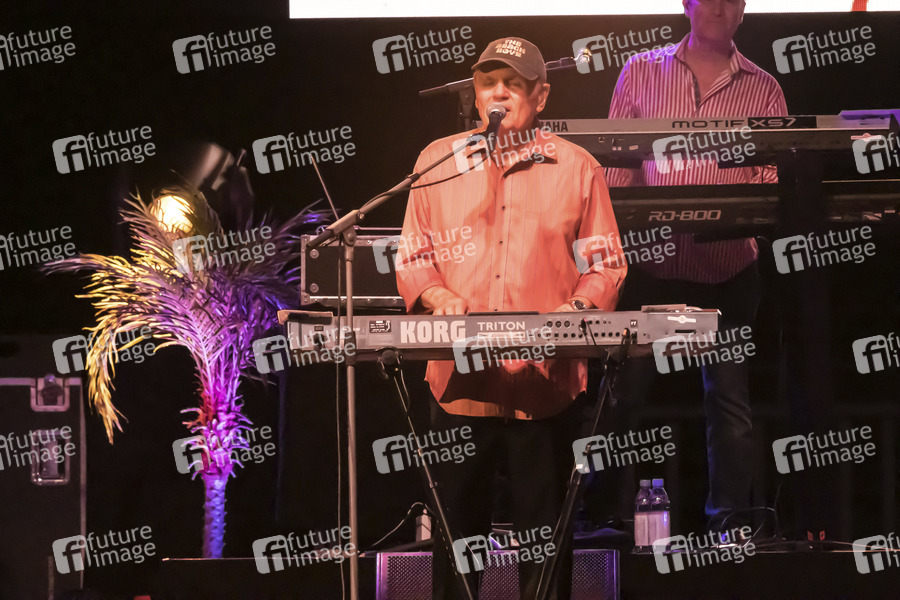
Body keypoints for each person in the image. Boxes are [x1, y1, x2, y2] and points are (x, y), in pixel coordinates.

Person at [395, 37, 627, 600]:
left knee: (545, 557)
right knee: (456, 552)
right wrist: (436, 296)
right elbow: (414, 255)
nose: (499, 93)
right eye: (488, 83)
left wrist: (576, 310)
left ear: (540, 96)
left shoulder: (578, 167)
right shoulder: (437, 162)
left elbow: (605, 264)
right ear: (475, 95)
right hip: (459, 387)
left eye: (514, 84)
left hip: (545, 388)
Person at [602, 0, 788, 535]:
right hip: (651, 269)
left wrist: (724, 213)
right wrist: (631, 229)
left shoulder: (764, 87)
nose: (719, 6)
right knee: (620, 400)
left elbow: (770, 180)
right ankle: (605, 518)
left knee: (729, 406)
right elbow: (616, 168)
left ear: (743, 10)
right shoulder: (641, 70)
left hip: (729, 272)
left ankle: (727, 525)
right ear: (687, 4)